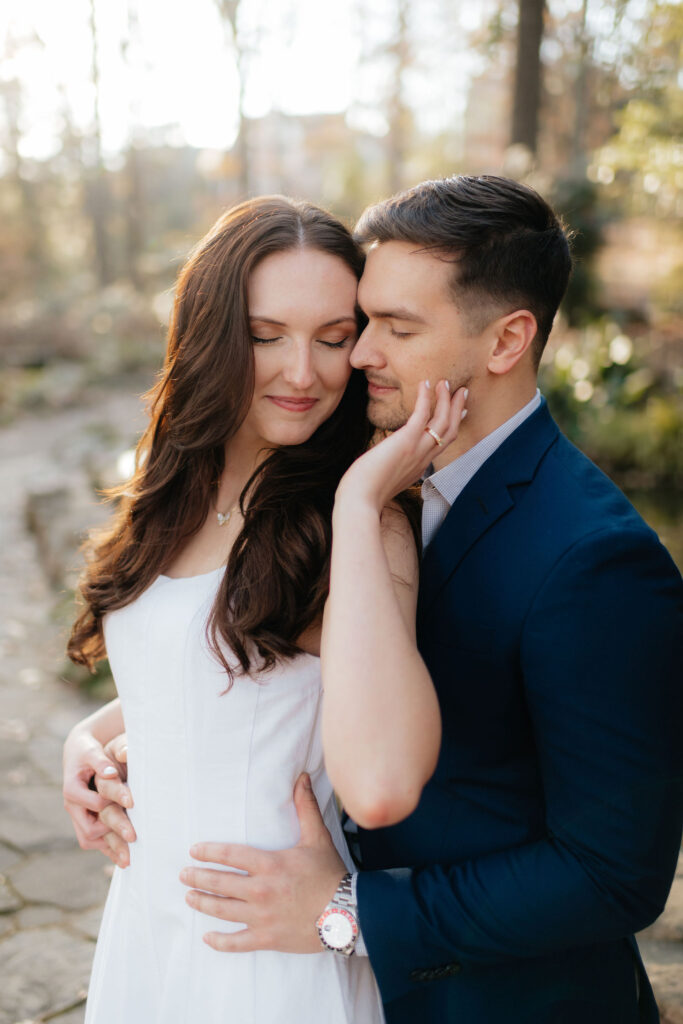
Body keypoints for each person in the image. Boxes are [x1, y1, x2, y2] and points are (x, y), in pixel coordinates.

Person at [66, 176, 683, 1024]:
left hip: (487, 997)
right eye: (363, 323)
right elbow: (275, 672)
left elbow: (612, 873)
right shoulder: (370, 476)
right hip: (186, 932)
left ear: (506, 341)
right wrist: (98, 735)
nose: (350, 359)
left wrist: (351, 912)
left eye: (385, 329)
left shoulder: (591, 557)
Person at [62, 194, 468, 1024]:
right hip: (144, 930)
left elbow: (385, 779)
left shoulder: (357, 527)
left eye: (331, 338)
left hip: (258, 961)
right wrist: (90, 737)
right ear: (210, 336)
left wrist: (359, 501)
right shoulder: (173, 486)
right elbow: (209, 673)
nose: (303, 371)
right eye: (264, 335)